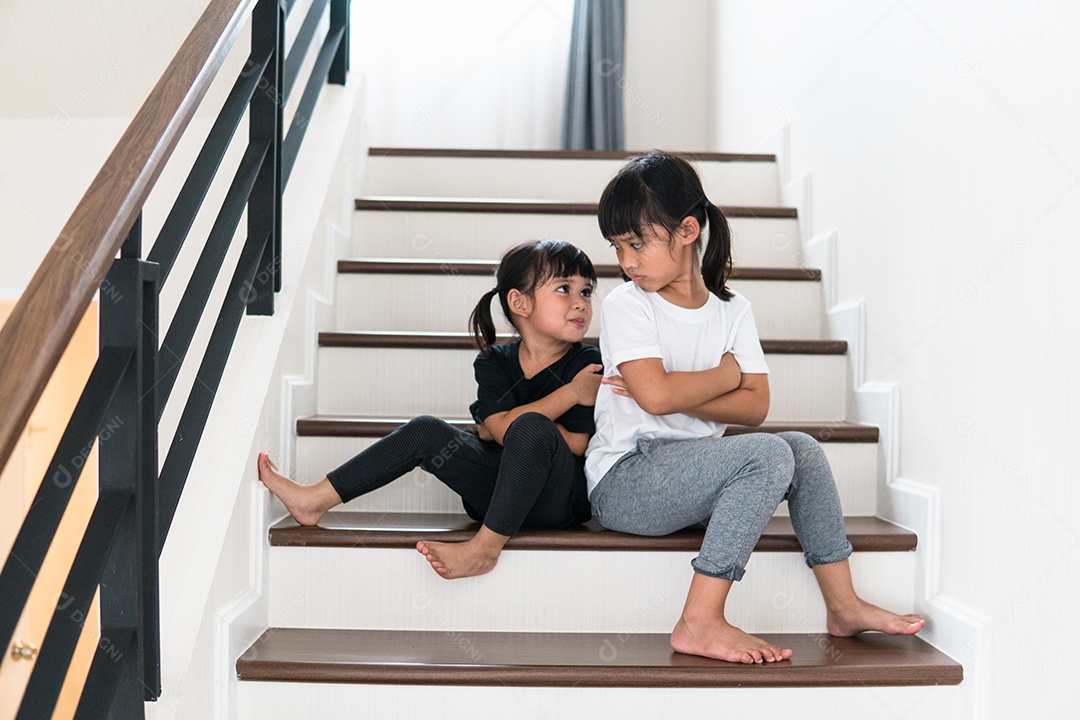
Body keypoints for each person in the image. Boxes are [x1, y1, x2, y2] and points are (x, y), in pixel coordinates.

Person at [585, 151, 925, 664]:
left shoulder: (733, 310)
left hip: (693, 476)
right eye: (617, 247)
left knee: (802, 448)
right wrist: (726, 377)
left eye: (637, 243)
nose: (626, 261)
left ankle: (843, 605)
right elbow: (656, 397)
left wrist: (678, 391)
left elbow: (756, 406)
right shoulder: (627, 304)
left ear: (688, 230)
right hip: (626, 480)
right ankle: (699, 619)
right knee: (766, 455)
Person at [258, 239, 602, 579]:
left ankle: (485, 549)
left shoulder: (588, 362)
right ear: (519, 302)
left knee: (530, 427)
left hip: (557, 501)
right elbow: (497, 431)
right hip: (496, 493)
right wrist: (570, 394)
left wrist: (515, 427)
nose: (581, 303)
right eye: (564, 289)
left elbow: (575, 443)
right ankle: (314, 499)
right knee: (427, 429)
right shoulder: (496, 361)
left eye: (586, 292)